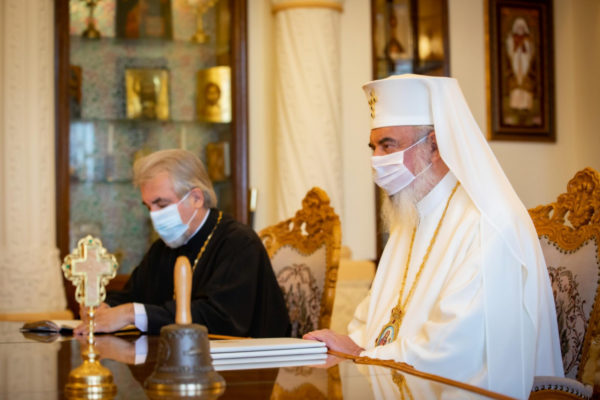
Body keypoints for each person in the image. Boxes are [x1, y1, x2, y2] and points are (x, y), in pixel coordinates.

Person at [303, 74, 563, 399]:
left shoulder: (489, 225)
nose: (376, 160)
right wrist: (346, 344)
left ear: (435, 147)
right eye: (374, 147)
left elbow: (459, 350)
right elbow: (370, 321)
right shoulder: (410, 219)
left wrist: (360, 354)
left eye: (388, 145)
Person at [74, 149, 290, 337]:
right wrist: (104, 307)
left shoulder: (239, 243)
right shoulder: (165, 246)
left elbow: (219, 319)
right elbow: (133, 294)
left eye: (162, 205)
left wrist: (130, 313)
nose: (154, 216)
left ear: (196, 198)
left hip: (251, 365)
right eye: (148, 207)